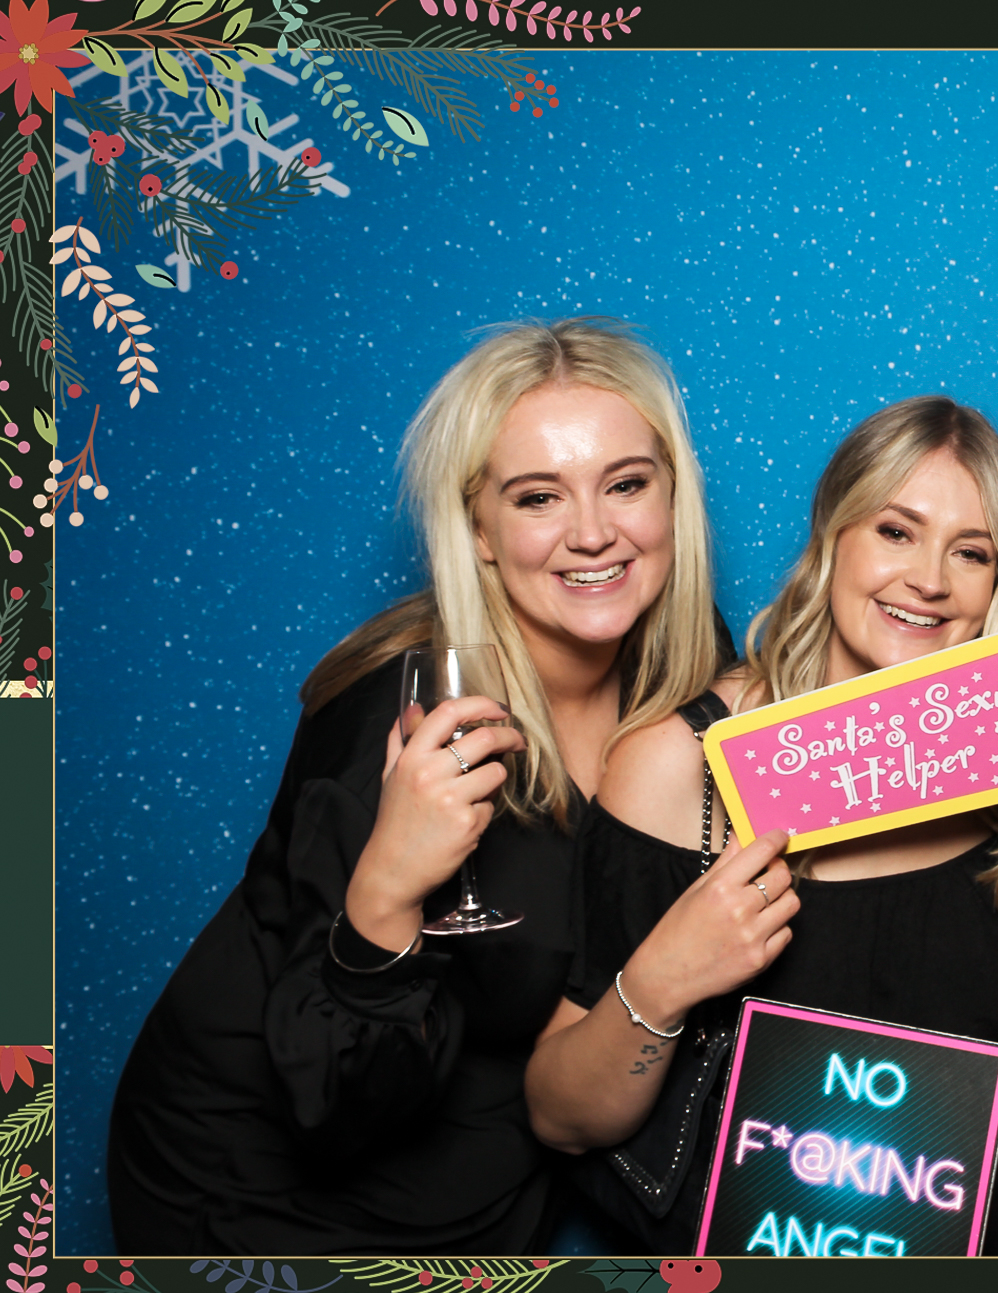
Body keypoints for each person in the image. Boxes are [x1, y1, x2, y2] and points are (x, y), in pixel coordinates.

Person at [107, 318, 731, 1253]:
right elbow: (332, 1103)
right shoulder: (394, 722)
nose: (594, 532)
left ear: (672, 497)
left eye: (627, 484)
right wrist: (389, 889)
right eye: (538, 497)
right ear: (478, 529)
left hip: (492, 1180)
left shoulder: (687, 668)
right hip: (267, 1202)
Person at [524, 395, 998, 1254]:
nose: (930, 579)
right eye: (896, 531)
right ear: (831, 535)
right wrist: (662, 978)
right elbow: (560, 1118)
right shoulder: (679, 763)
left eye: (971, 552)